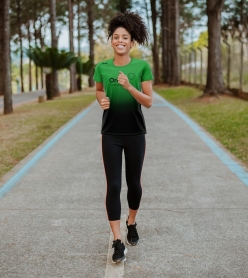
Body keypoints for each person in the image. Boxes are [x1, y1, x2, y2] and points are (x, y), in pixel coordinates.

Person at [93, 11, 153, 263]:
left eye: (125, 37)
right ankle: (118, 241)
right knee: (114, 186)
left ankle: (132, 222)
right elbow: (98, 91)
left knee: (134, 184)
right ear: (111, 41)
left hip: (135, 134)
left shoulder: (141, 67)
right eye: (116, 37)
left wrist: (130, 87)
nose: (120, 40)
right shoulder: (102, 67)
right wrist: (101, 100)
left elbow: (148, 102)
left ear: (132, 42)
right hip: (110, 134)